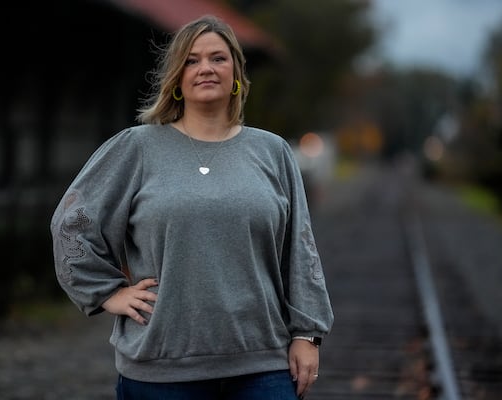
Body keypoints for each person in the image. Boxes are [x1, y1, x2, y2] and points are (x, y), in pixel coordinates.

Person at [50, 15, 333, 400]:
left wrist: (307, 334)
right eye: (192, 60)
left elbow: (300, 250)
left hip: (261, 365)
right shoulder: (137, 148)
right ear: (177, 78)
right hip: (160, 369)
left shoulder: (272, 152)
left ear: (236, 72)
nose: (205, 68)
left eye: (218, 58)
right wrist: (106, 292)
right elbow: (73, 222)